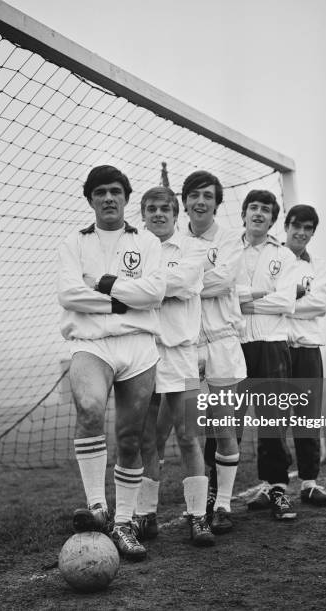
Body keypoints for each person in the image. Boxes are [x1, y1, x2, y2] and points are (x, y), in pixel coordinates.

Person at [57, 165, 165, 561]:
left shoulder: (148, 242)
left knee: (131, 438)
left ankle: (123, 524)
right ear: (90, 199)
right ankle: (97, 508)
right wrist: (123, 300)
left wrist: (102, 289)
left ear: (125, 197)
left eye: (115, 191)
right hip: (91, 343)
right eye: (100, 192)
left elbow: (154, 293)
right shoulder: (74, 242)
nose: (108, 198)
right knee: (88, 409)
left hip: (139, 346)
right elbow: (69, 294)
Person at [134, 186, 215, 547]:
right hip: (144, 351)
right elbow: (125, 289)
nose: (158, 214)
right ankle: (145, 516)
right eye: (151, 209)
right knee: (146, 439)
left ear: (175, 213)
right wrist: (136, 287)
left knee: (187, 436)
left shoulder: (193, 249)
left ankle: (198, 517)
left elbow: (182, 284)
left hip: (181, 353)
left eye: (165, 208)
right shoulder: (133, 249)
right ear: (143, 214)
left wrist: (142, 287)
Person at [183, 170, 246, 535]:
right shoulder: (174, 241)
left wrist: (184, 283)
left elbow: (224, 280)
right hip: (187, 348)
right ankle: (196, 504)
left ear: (217, 203)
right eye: (194, 195)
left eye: (208, 195)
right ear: (185, 201)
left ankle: (222, 504)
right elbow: (167, 285)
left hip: (222, 343)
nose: (201, 201)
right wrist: (189, 280)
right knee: (189, 431)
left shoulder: (229, 240)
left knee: (224, 429)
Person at [235, 189, 298, 520]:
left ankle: (277, 488)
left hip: (272, 344)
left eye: (265, 209)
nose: (258, 213)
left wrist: (243, 303)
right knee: (229, 422)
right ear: (244, 213)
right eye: (253, 207)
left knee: (273, 421)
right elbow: (219, 295)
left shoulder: (284, 256)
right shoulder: (228, 251)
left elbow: (286, 302)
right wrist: (253, 298)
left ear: (273, 219)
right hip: (233, 344)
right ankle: (214, 499)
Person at [284, 204, 326, 506]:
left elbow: (321, 305)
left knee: (307, 420)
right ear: (287, 226)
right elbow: (262, 296)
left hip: (308, 351)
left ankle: (309, 483)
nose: (302, 233)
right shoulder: (272, 259)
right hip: (278, 349)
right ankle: (271, 485)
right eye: (297, 226)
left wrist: (281, 301)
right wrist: (288, 297)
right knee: (273, 420)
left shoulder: (320, 266)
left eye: (308, 229)